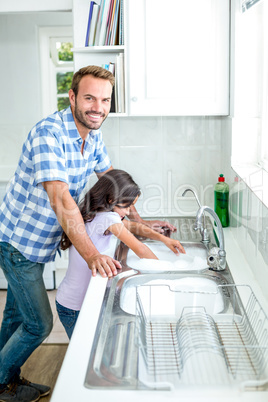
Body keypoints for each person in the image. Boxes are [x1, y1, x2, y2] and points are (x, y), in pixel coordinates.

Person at [0, 65, 176, 401]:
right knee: (37, 324)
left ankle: (6, 375)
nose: (98, 106)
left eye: (105, 100)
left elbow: (114, 180)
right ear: (73, 97)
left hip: (39, 244)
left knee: (14, 316)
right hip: (18, 243)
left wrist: (143, 222)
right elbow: (61, 199)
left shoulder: (92, 135)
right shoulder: (48, 135)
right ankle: (1, 381)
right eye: (90, 98)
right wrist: (92, 254)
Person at [56, 169, 185, 339]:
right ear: (111, 200)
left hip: (69, 301)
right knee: (85, 357)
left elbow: (132, 226)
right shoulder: (109, 218)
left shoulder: (95, 213)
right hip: (76, 306)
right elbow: (141, 249)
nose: (127, 212)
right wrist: (164, 275)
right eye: (126, 206)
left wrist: (163, 239)